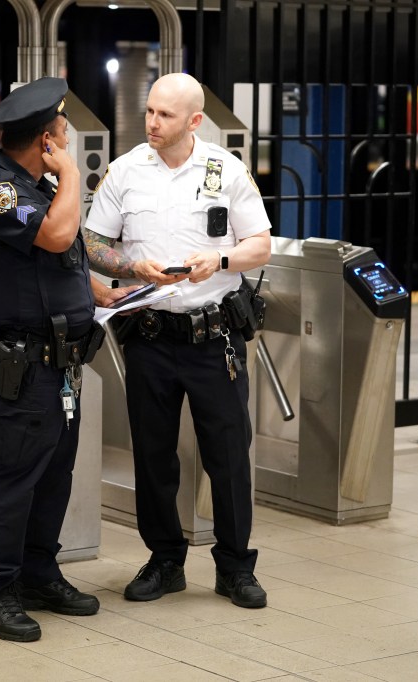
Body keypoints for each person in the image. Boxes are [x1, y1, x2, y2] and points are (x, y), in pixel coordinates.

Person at [84, 72, 272, 610]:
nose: (151, 122)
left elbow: (260, 244)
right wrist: (130, 264)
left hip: (215, 337)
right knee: (153, 453)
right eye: (148, 111)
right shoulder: (125, 172)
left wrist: (221, 259)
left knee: (229, 454)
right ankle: (165, 561)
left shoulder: (225, 170)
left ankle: (235, 566)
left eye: (164, 115)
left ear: (193, 121)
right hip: (149, 336)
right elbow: (93, 242)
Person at [0, 77, 132, 642]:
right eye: (61, 132)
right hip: (23, 364)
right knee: (14, 477)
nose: (65, 140)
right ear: (45, 140)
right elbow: (58, 238)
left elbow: (60, 263)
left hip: (61, 364)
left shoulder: (37, 189)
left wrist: (98, 295)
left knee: (54, 474)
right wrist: (75, 176)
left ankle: (38, 572)